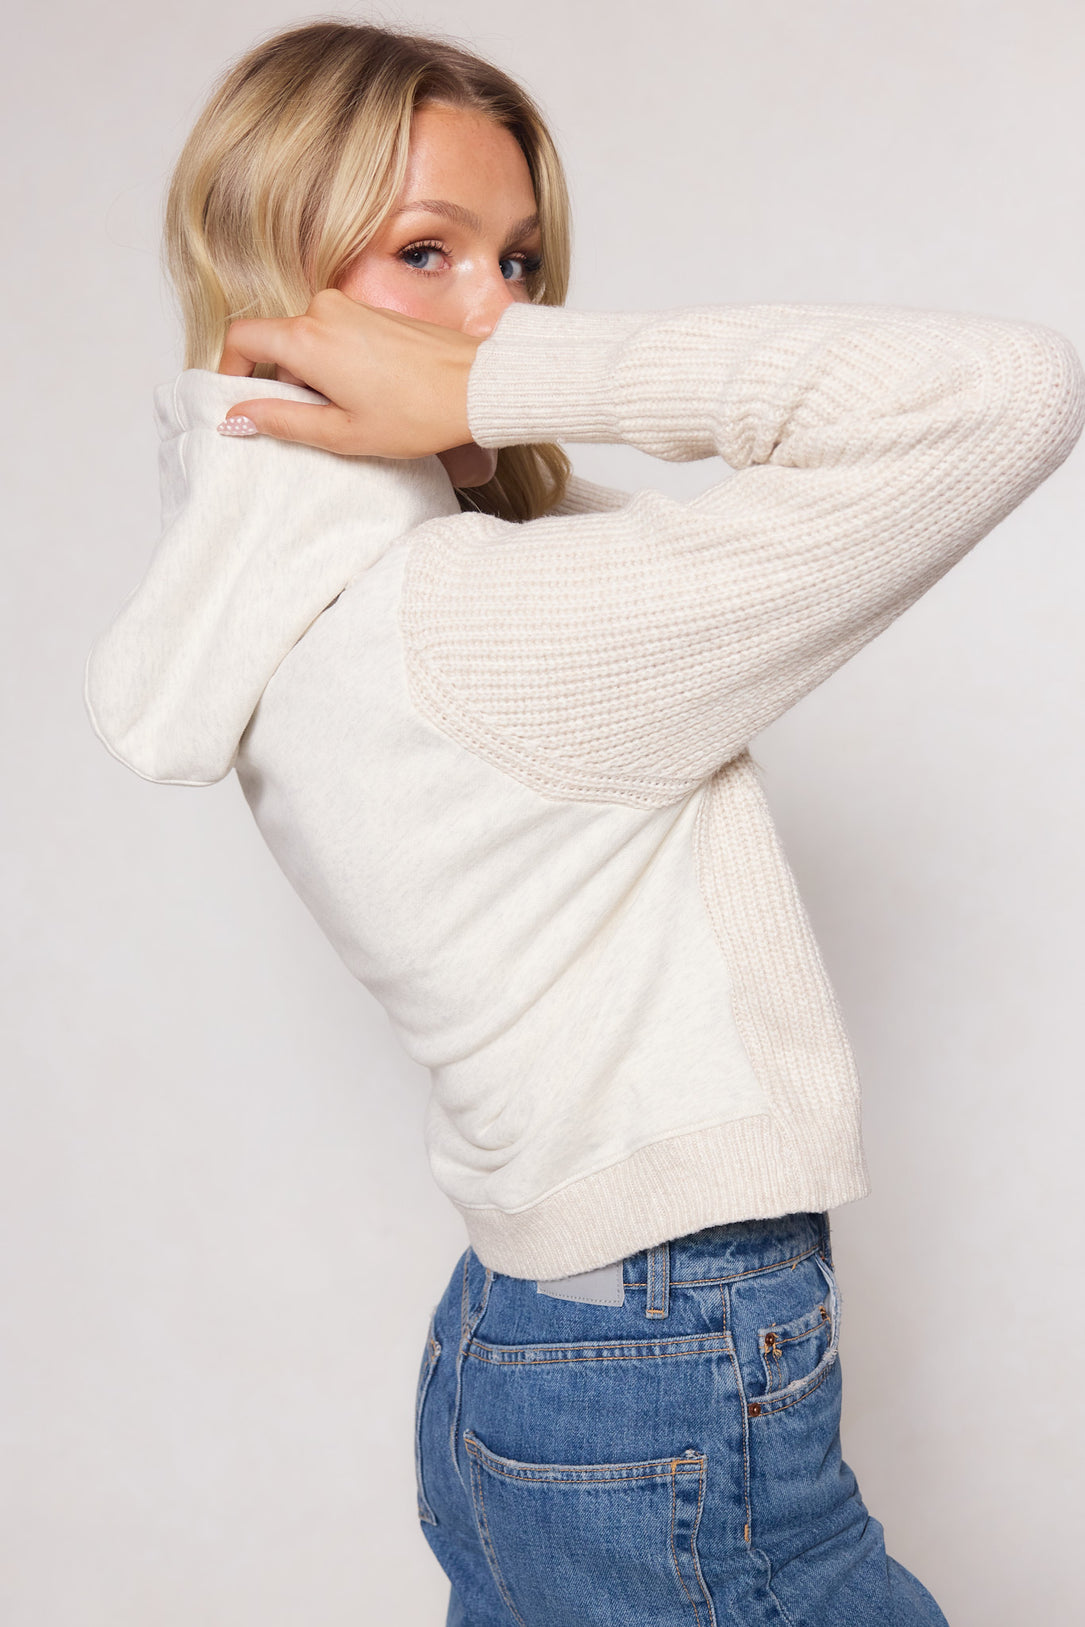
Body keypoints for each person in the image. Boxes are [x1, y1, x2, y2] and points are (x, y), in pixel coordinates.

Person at [83, 19, 1084, 1626]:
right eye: (426, 252)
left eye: (524, 265)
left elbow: (656, 529)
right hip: (662, 1360)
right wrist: (503, 381)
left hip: (533, 1343)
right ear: (265, 256)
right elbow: (1000, 394)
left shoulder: (309, 583)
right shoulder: (485, 624)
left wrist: (459, 397)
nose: (500, 309)